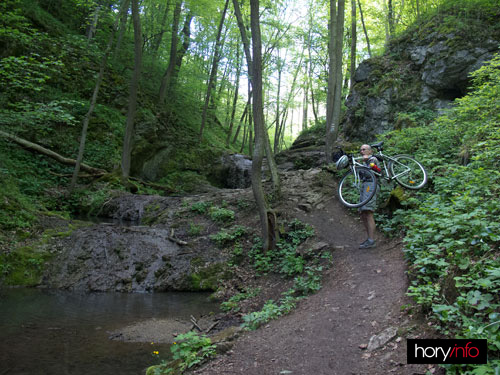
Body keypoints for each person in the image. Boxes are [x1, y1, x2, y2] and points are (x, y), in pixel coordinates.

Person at [358, 144, 379, 249]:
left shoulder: (373, 159)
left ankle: (371, 240)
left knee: (368, 212)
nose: (362, 151)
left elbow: (375, 170)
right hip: (365, 185)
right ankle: (369, 239)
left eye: (364, 149)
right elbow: (361, 175)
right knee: (363, 213)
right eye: (361, 150)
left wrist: (367, 161)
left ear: (370, 151)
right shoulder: (363, 161)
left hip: (371, 184)